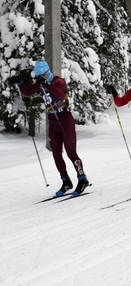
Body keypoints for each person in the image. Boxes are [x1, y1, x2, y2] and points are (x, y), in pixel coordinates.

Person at [11, 61, 89, 197]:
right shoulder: (41, 82)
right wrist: (21, 83)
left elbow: (59, 94)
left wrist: (46, 85)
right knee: (56, 153)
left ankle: (82, 179)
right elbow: (28, 92)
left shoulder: (59, 81)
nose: (38, 80)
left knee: (71, 152)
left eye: (40, 77)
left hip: (65, 120)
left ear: (47, 74)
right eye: (37, 78)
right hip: (53, 122)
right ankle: (66, 181)